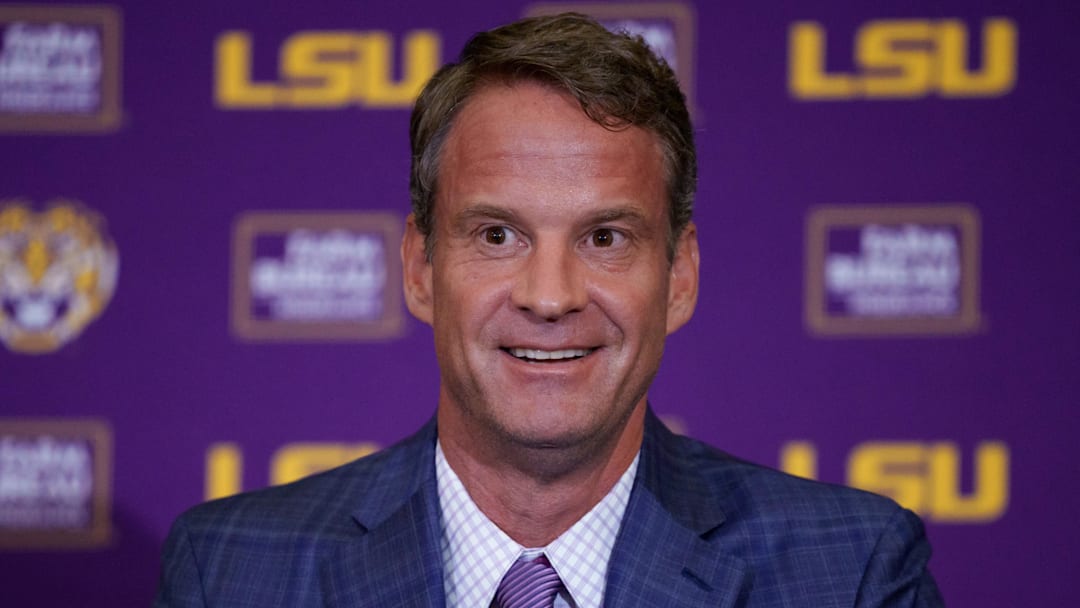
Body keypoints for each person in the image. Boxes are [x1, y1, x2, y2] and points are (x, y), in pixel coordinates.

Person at [155, 13, 944, 607]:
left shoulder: (851, 573)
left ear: (680, 276)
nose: (551, 296)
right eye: (497, 235)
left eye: (605, 237)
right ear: (421, 266)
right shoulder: (230, 570)